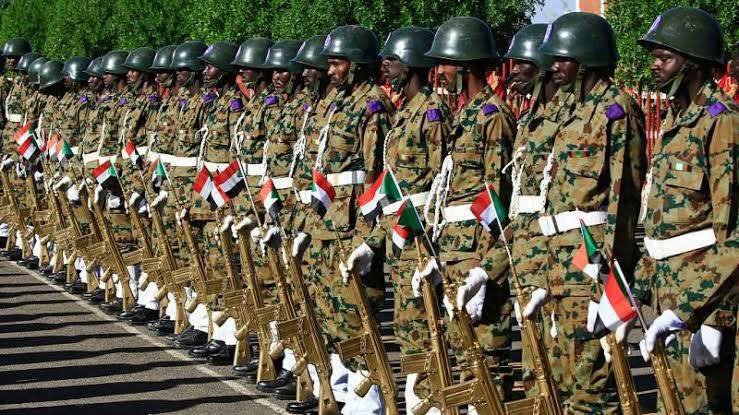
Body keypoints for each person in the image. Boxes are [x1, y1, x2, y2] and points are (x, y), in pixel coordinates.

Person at [521, 12, 645, 413]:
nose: (553, 66)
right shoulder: (568, 109)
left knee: (591, 388)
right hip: (558, 261)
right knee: (561, 380)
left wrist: (611, 279)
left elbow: (624, 200)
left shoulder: (616, 110)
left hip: (590, 265)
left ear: (587, 58)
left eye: (562, 58)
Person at [634, 7, 737, 414]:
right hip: (669, 297)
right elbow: (662, 225)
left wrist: (714, 318)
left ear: (692, 62)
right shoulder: (677, 120)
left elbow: (733, 232)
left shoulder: (721, 122)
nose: (655, 66)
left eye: (665, 57)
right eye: (654, 57)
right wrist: (637, 290)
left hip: (701, 301)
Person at [421, 16, 516, 410]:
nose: (439, 72)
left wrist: (486, 270)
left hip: (477, 253)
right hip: (456, 250)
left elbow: (497, 200)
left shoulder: (493, 115)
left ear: (464, 66)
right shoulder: (465, 114)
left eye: (445, 63)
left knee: (486, 360)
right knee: (464, 353)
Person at [501, 22, 565, 398]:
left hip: (553, 261)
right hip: (525, 258)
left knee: (558, 371)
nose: (514, 72)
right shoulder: (529, 119)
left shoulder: (564, 120)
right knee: (533, 369)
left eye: (522, 64)